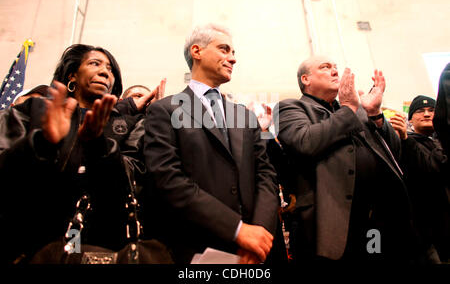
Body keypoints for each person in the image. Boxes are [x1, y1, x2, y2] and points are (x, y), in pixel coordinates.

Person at [143, 24, 279, 264]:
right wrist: (237, 230)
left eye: (234, 52)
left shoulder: (244, 115)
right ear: (197, 51)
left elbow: (266, 175)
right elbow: (168, 179)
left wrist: (259, 233)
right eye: (224, 49)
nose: (233, 59)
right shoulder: (164, 110)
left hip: (255, 250)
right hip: (195, 247)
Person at [0, 44, 148, 263]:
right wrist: (42, 143)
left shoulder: (128, 124)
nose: (105, 72)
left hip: (97, 243)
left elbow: (133, 180)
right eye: (94, 63)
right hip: (27, 239)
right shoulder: (33, 110)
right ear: (72, 75)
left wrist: (99, 145)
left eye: (110, 69)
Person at [274, 55, 419, 263]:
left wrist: (374, 114)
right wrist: (350, 108)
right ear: (305, 79)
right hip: (328, 224)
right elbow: (305, 142)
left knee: (373, 257)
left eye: (336, 67)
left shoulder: (356, 110)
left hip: (372, 222)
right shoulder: (290, 108)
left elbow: (393, 154)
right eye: (325, 67)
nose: (335, 71)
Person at [389, 95, 449, 263]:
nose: (427, 114)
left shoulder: (441, 140)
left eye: (431, 110)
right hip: (425, 230)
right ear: (411, 119)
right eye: (420, 111)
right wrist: (405, 139)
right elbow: (430, 169)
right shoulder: (404, 144)